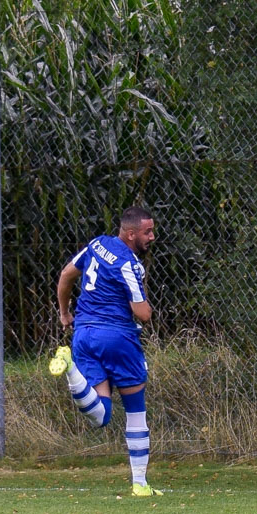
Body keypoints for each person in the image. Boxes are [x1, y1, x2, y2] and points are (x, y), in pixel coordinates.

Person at [49, 207, 161, 496]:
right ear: (131, 234)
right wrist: (148, 306)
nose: (152, 237)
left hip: (83, 336)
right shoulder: (129, 264)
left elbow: (66, 275)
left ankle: (70, 368)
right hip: (117, 338)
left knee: (102, 415)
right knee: (135, 409)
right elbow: (143, 314)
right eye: (147, 232)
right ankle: (140, 484)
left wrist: (64, 313)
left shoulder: (97, 244)